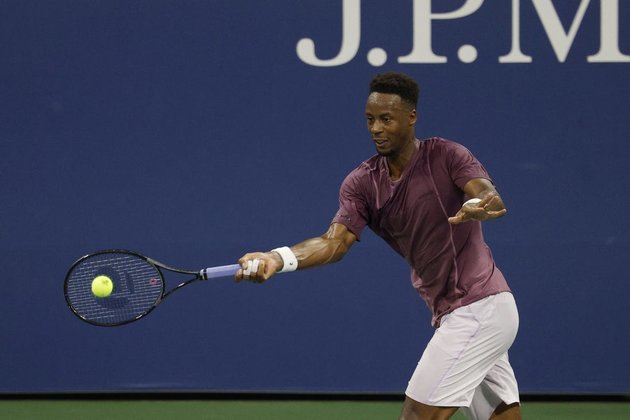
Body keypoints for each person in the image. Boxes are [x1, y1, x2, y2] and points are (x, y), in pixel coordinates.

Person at [236, 72, 521, 420]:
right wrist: (276, 259)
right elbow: (333, 243)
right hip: (459, 313)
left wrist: (481, 204)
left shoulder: (447, 156)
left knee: (416, 417)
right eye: (370, 120)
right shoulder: (362, 183)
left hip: (480, 308)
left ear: (411, 117)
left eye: (386, 119)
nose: (376, 129)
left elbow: (489, 196)